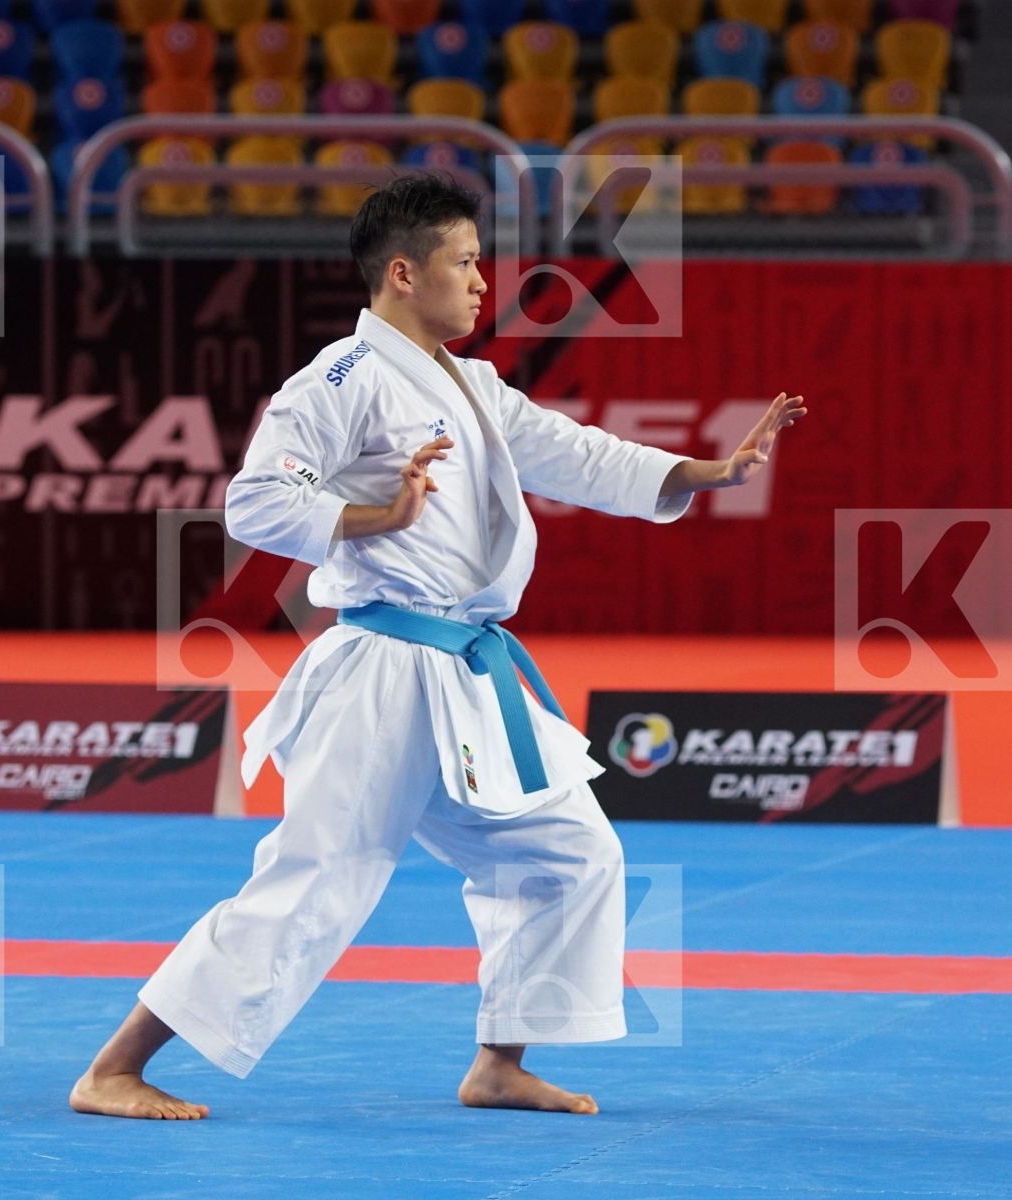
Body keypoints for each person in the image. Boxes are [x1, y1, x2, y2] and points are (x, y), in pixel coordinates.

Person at [69, 173, 806, 1120]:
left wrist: (708, 470)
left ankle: (499, 1061)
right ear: (404, 273)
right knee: (320, 876)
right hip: (382, 668)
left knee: (572, 855)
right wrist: (377, 514)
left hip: (462, 669)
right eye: (464, 262)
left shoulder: (474, 382)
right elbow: (253, 500)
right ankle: (115, 1068)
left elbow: (574, 452)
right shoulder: (342, 378)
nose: (482, 281)